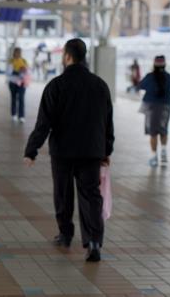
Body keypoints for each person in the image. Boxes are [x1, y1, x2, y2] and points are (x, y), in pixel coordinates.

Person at [23, 38, 114, 262]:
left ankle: (65, 235)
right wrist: (106, 150)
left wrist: (31, 150)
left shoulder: (56, 85)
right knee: (91, 196)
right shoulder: (100, 85)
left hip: (63, 151)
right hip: (92, 152)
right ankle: (93, 242)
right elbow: (107, 122)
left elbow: (44, 122)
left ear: (67, 57)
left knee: (63, 194)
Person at [138, 55, 170, 167]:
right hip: (166, 107)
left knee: (153, 133)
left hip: (151, 107)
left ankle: (154, 157)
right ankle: (163, 151)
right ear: (164, 64)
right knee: (163, 129)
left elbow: (141, 85)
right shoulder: (169, 77)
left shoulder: (150, 76)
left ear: (154, 65)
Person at [8, 47, 29, 123]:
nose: (18, 54)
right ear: (14, 53)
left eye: (19, 52)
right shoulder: (11, 61)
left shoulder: (24, 61)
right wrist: (18, 71)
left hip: (22, 83)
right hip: (13, 83)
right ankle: (13, 114)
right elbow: (9, 72)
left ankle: (21, 116)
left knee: (21, 99)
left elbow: (28, 71)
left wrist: (24, 71)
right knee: (13, 98)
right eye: (16, 52)